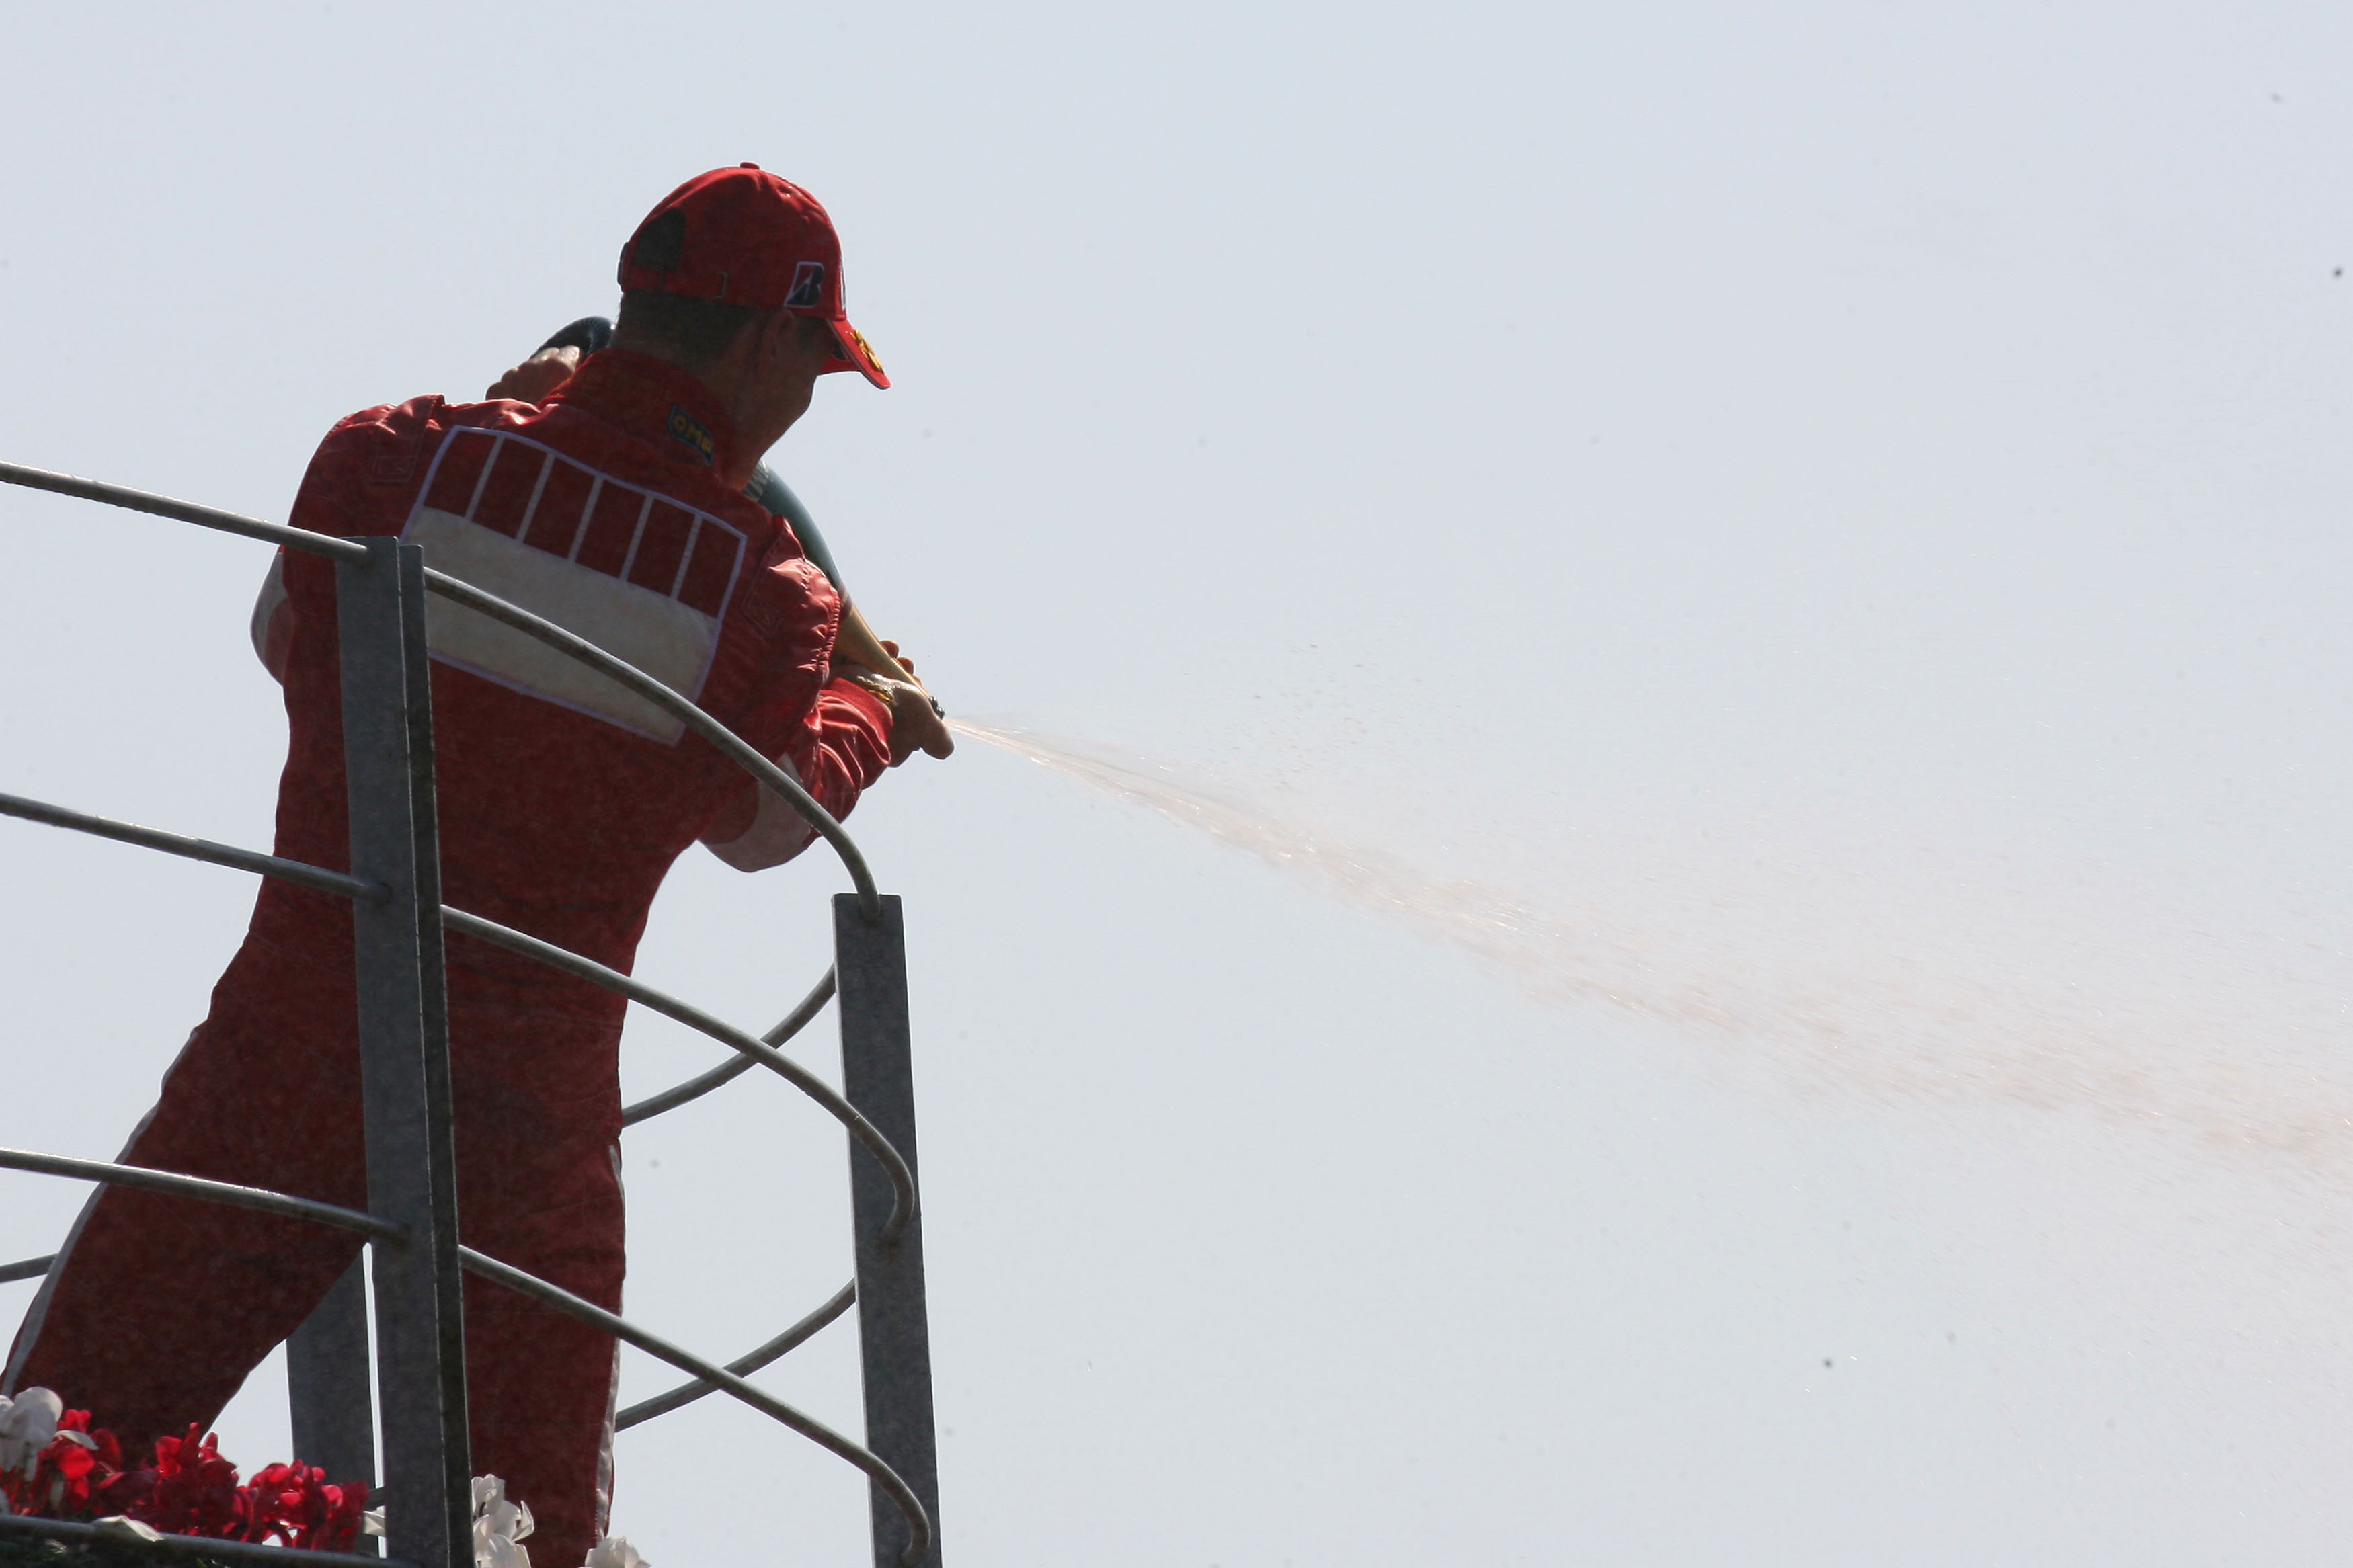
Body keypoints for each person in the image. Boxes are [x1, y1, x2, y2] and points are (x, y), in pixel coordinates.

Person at [4, 165, 948, 1566]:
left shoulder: (388, 457)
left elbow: (288, 634)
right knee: (525, 1539)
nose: (806, 399)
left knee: (50, 1461)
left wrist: (522, 424)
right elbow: (768, 823)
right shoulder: (760, 589)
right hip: (523, 1131)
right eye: (811, 364)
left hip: (280, 1060)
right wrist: (876, 712)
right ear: (763, 344)